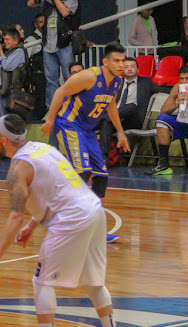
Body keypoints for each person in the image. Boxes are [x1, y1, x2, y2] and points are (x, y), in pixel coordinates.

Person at [0, 114, 125, 327]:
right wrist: (33, 225)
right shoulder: (44, 148)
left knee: (41, 282)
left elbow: (15, 214)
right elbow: (60, 190)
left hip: (71, 220)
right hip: (93, 210)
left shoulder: (16, 170)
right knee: (94, 282)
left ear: (2, 139)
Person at [40, 42, 130, 244]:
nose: (120, 65)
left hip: (87, 131)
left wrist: (121, 133)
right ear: (105, 62)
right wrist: (50, 120)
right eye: (116, 61)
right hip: (69, 124)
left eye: (123, 61)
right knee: (83, 171)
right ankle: (66, 220)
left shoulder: (116, 81)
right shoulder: (89, 76)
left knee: (102, 175)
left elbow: (111, 105)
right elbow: (60, 92)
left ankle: (94, 228)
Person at [98, 57, 156, 163]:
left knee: (131, 106)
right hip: (117, 119)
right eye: (126, 67)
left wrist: (181, 88)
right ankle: (103, 159)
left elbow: (162, 89)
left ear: (138, 70)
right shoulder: (116, 83)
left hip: (134, 119)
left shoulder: (146, 82)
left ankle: (102, 118)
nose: (129, 69)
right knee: (107, 122)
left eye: (132, 66)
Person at [27, 0, 80, 109]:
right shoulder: (48, 3)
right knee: (51, 80)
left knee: (69, 77)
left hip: (64, 44)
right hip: (48, 46)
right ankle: (52, 108)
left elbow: (65, 12)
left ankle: (71, 107)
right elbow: (30, 3)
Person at [0, 27, 27, 135]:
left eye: (8, 39)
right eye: (4, 39)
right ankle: (2, 139)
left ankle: (8, 142)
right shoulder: (4, 52)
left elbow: (7, 66)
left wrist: (0, 51)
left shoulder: (19, 51)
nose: (5, 42)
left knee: (5, 119)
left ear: (15, 41)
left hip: (6, 91)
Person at [24, 13, 46, 119]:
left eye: (45, 21)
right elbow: (24, 58)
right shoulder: (32, 40)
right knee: (37, 104)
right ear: (36, 24)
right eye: (41, 22)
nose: (43, 24)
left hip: (46, 76)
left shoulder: (49, 38)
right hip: (36, 77)